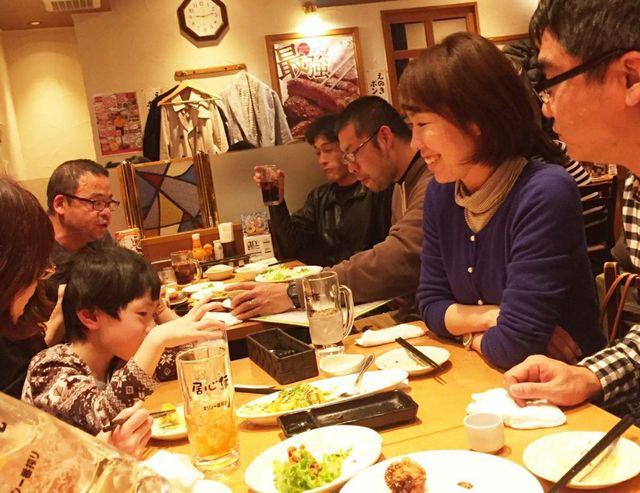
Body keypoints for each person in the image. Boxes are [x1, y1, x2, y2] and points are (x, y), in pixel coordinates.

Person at [398, 31, 606, 370]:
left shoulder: (543, 192)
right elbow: (431, 304)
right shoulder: (441, 193)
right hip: (487, 380)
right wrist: (493, 317)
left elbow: (516, 346)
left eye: (422, 124)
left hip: (563, 385)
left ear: (475, 121)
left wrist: (468, 333)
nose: (414, 143)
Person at [504, 0, 640, 409]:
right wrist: (588, 375)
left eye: (552, 82)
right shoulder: (635, 189)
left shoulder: (545, 185)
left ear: (630, 77)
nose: (545, 107)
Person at [229, 96, 432, 321]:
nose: (350, 166)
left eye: (352, 153)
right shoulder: (398, 185)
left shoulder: (427, 182)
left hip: (412, 314)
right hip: (396, 309)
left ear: (384, 137)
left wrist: (299, 292)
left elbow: (399, 257)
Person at [0, 176, 149, 457]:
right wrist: (101, 456)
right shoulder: (50, 364)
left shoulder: (18, 324)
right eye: (36, 269)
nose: (38, 282)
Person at [22, 246, 222, 438]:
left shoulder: (117, 358)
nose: (151, 326)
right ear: (90, 316)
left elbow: (193, 365)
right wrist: (156, 339)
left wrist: (169, 319)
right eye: (142, 314)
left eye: (153, 314)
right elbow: (101, 419)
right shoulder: (49, 368)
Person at [256, 115, 392, 266]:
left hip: (369, 277)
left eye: (327, 150)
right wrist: (277, 198)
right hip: (332, 278)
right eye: (318, 153)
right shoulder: (319, 198)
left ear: (346, 149)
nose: (322, 160)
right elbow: (291, 248)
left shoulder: (377, 189)